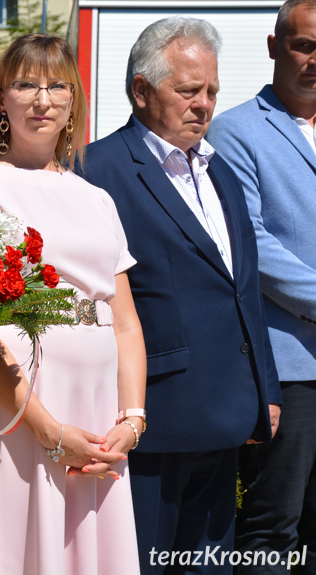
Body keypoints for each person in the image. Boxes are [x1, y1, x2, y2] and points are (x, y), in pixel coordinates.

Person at [77, 17, 281, 574]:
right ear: (141, 91)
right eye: (188, 91)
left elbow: (245, 292)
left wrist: (264, 387)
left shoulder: (219, 174)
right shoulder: (96, 171)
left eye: (212, 91)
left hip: (225, 417)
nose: (205, 105)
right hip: (150, 422)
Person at [0, 34, 146, 575]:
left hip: (99, 408)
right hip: (19, 410)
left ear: (73, 101)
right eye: (26, 84)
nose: (42, 99)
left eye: (56, 86)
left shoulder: (96, 197)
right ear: (1, 101)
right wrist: (49, 432)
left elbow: (124, 322)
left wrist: (132, 419)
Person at [208, 1, 316, 570]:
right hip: (290, 366)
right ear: (274, 47)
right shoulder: (236, 132)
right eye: (304, 45)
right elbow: (252, 243)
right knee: (273, 524)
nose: (315, 60)